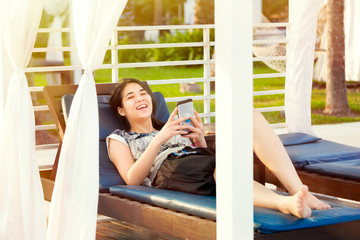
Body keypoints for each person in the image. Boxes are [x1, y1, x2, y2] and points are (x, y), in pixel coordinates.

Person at [107, 78, 330, 219]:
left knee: (248, 115)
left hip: (198, 163)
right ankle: (285, 203)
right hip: (169, 170)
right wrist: (159, 139)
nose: (140, 98)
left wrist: (200, 139)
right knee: (219, 167)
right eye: (131, 96)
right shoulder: (120, 137)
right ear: (121, 110)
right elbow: (131, 179)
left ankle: (298, 190)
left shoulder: (171, 127)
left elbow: (203, 158)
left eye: (143, 93)